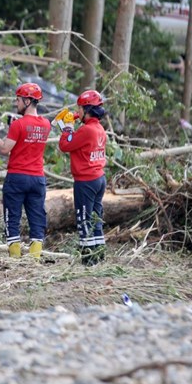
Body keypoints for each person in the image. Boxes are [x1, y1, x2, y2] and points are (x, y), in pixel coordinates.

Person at [0, 83, 51, 259]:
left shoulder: (18, 125)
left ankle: (15, 260)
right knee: (37, 218)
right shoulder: (46, 124)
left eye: (18, 100)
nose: (16, 103)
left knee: (12, 217)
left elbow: (5, 149)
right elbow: (29, 133)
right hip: (37, 179)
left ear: (27, 101)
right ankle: (34, 259)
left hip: (17, 178)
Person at [56, 90, 108, 265]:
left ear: (87, 109)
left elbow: (65, 145)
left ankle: (88, 258)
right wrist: (72, 126)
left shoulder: (86, 130)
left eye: (79, 108)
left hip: (86, 181)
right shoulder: (99, 129)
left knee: (84, 218)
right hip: (99, 178)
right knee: (96, 217)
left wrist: (68, 128)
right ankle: (99, 253)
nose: (77, 111)